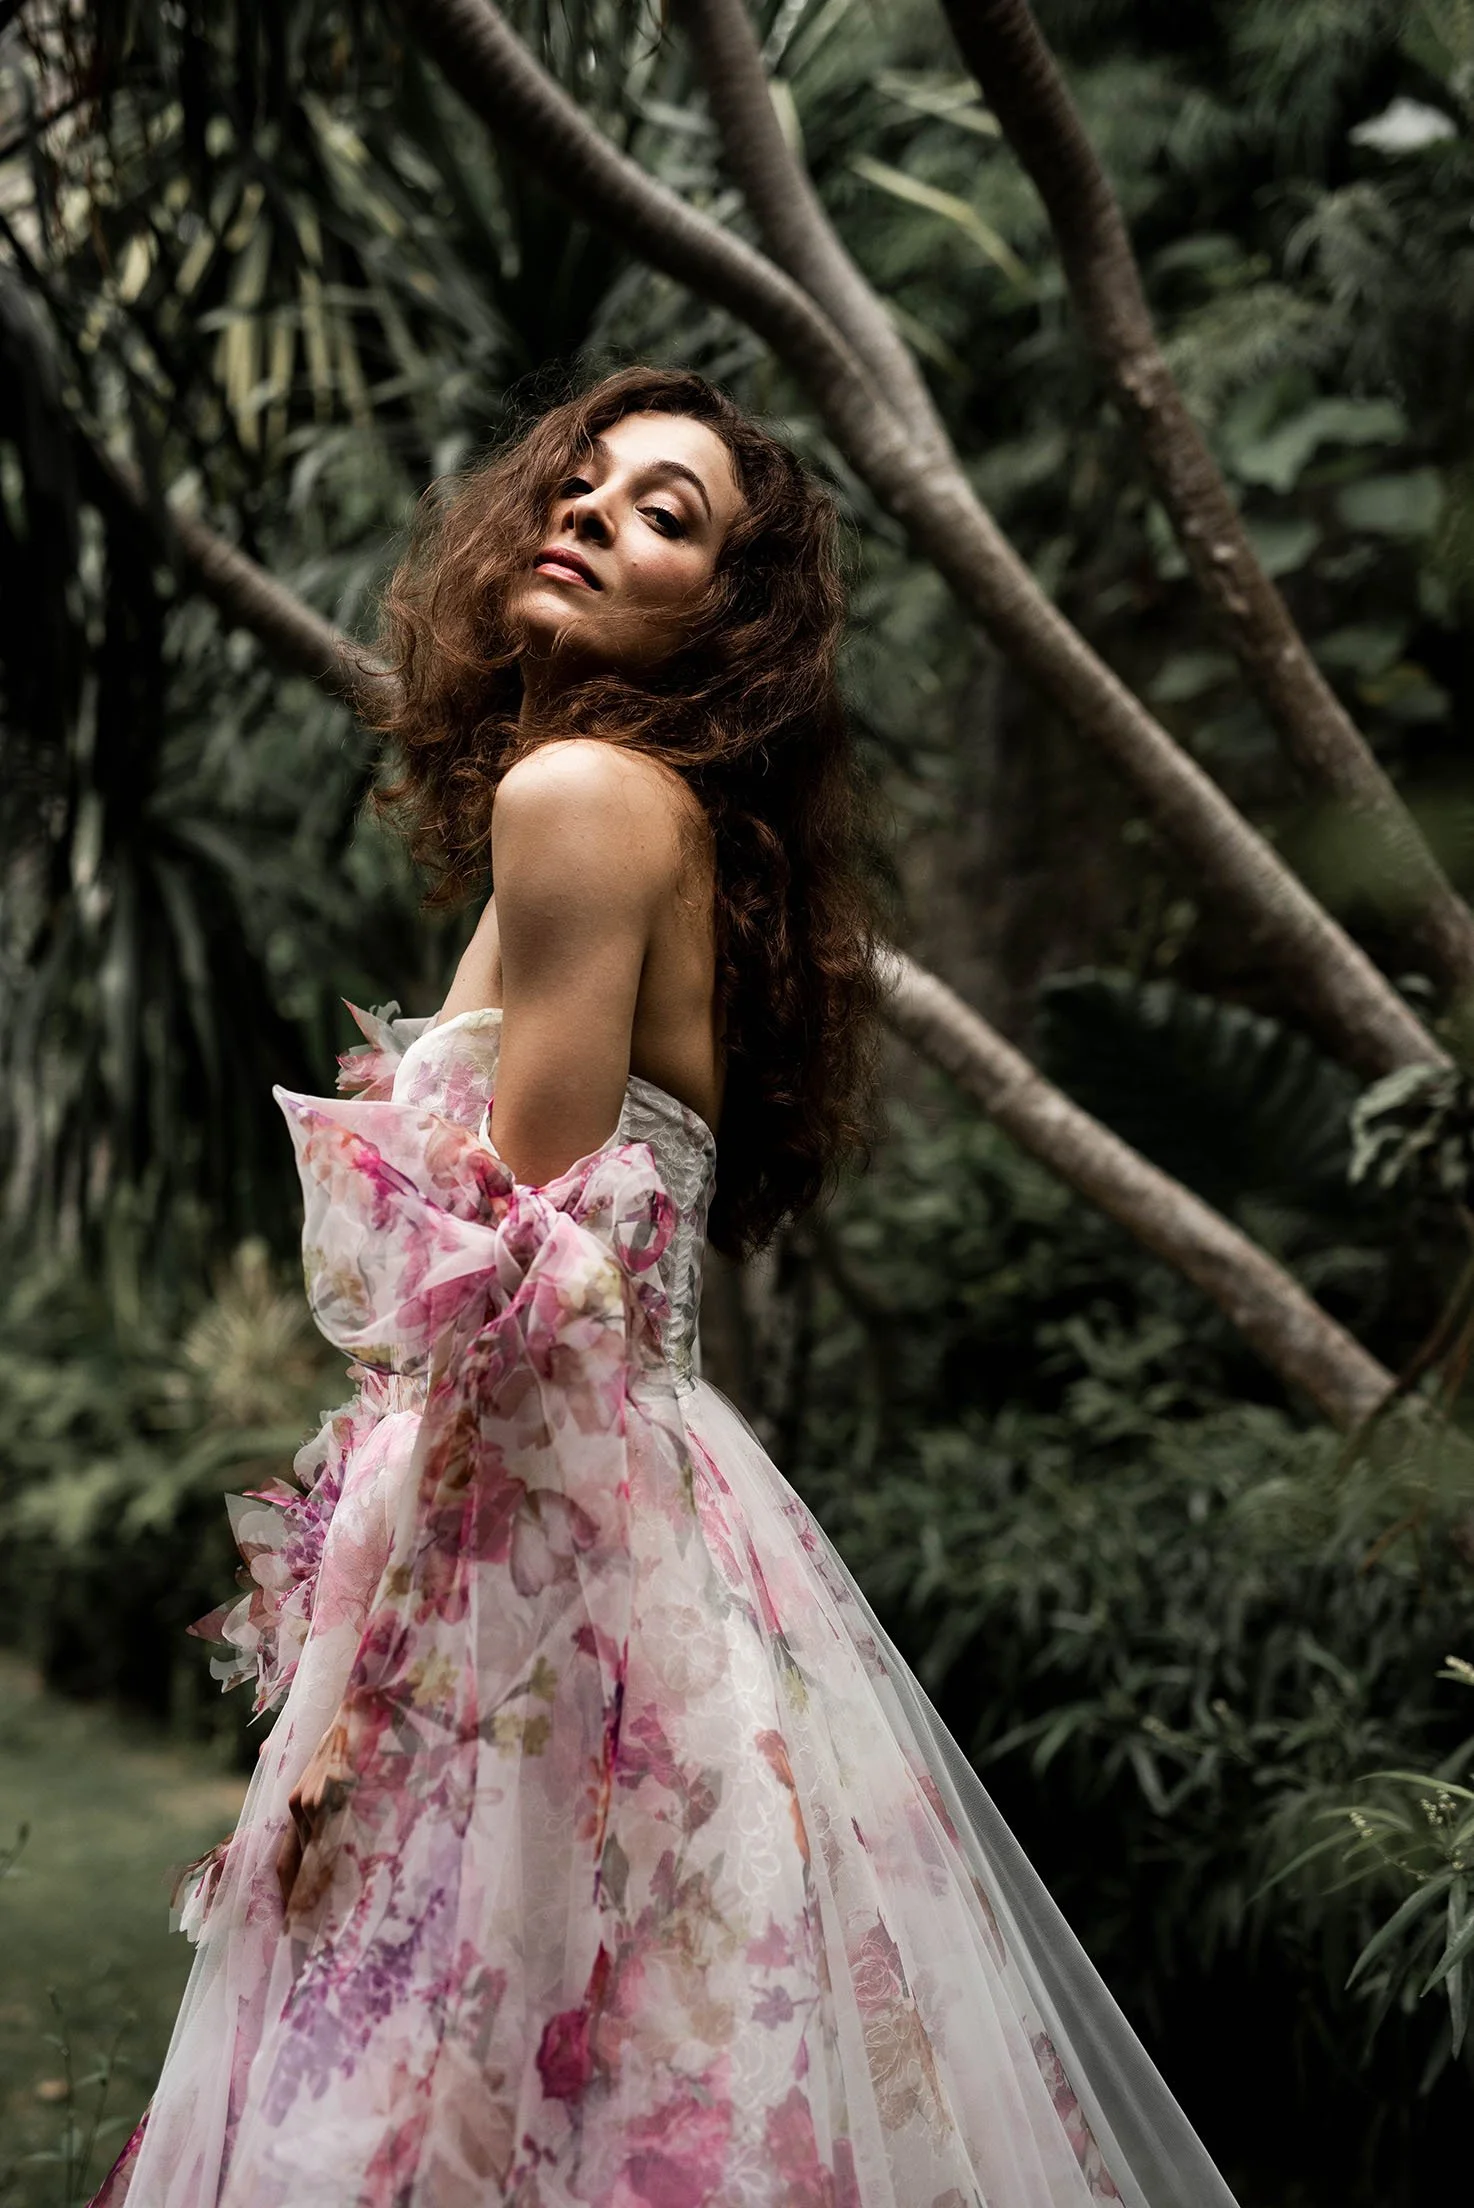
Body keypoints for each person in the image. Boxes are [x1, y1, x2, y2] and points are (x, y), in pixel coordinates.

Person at [94, 368, 1238, 2208]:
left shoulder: (577, 796)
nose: (593, 510)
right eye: (587, 479)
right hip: (641, 1545)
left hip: (539, 1588)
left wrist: (358, 1709)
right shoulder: (641, 812)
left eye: (665, 515)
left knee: (464, 2084)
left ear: (723, 623)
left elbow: (515, 1315)